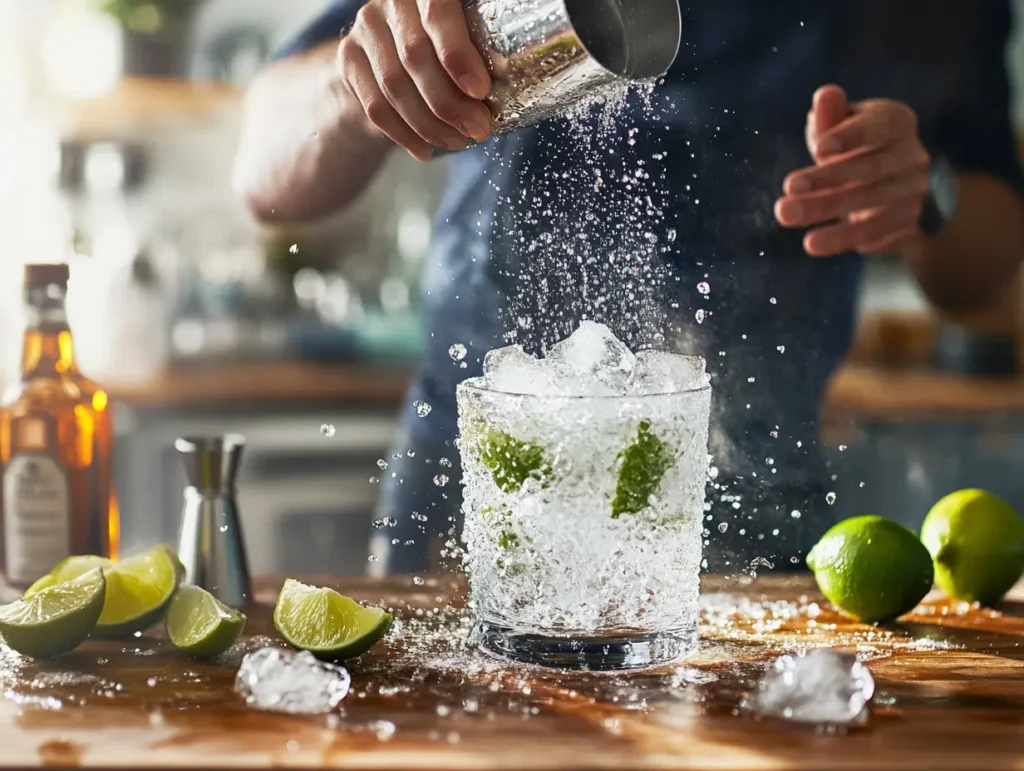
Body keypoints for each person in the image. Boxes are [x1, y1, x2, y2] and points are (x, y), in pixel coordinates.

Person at [235, 1, 1024, 574]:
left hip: (753, 493)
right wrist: (360, 84)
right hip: (482, 486)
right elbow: (263, 177)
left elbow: (981, 274)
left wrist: (929, 192)